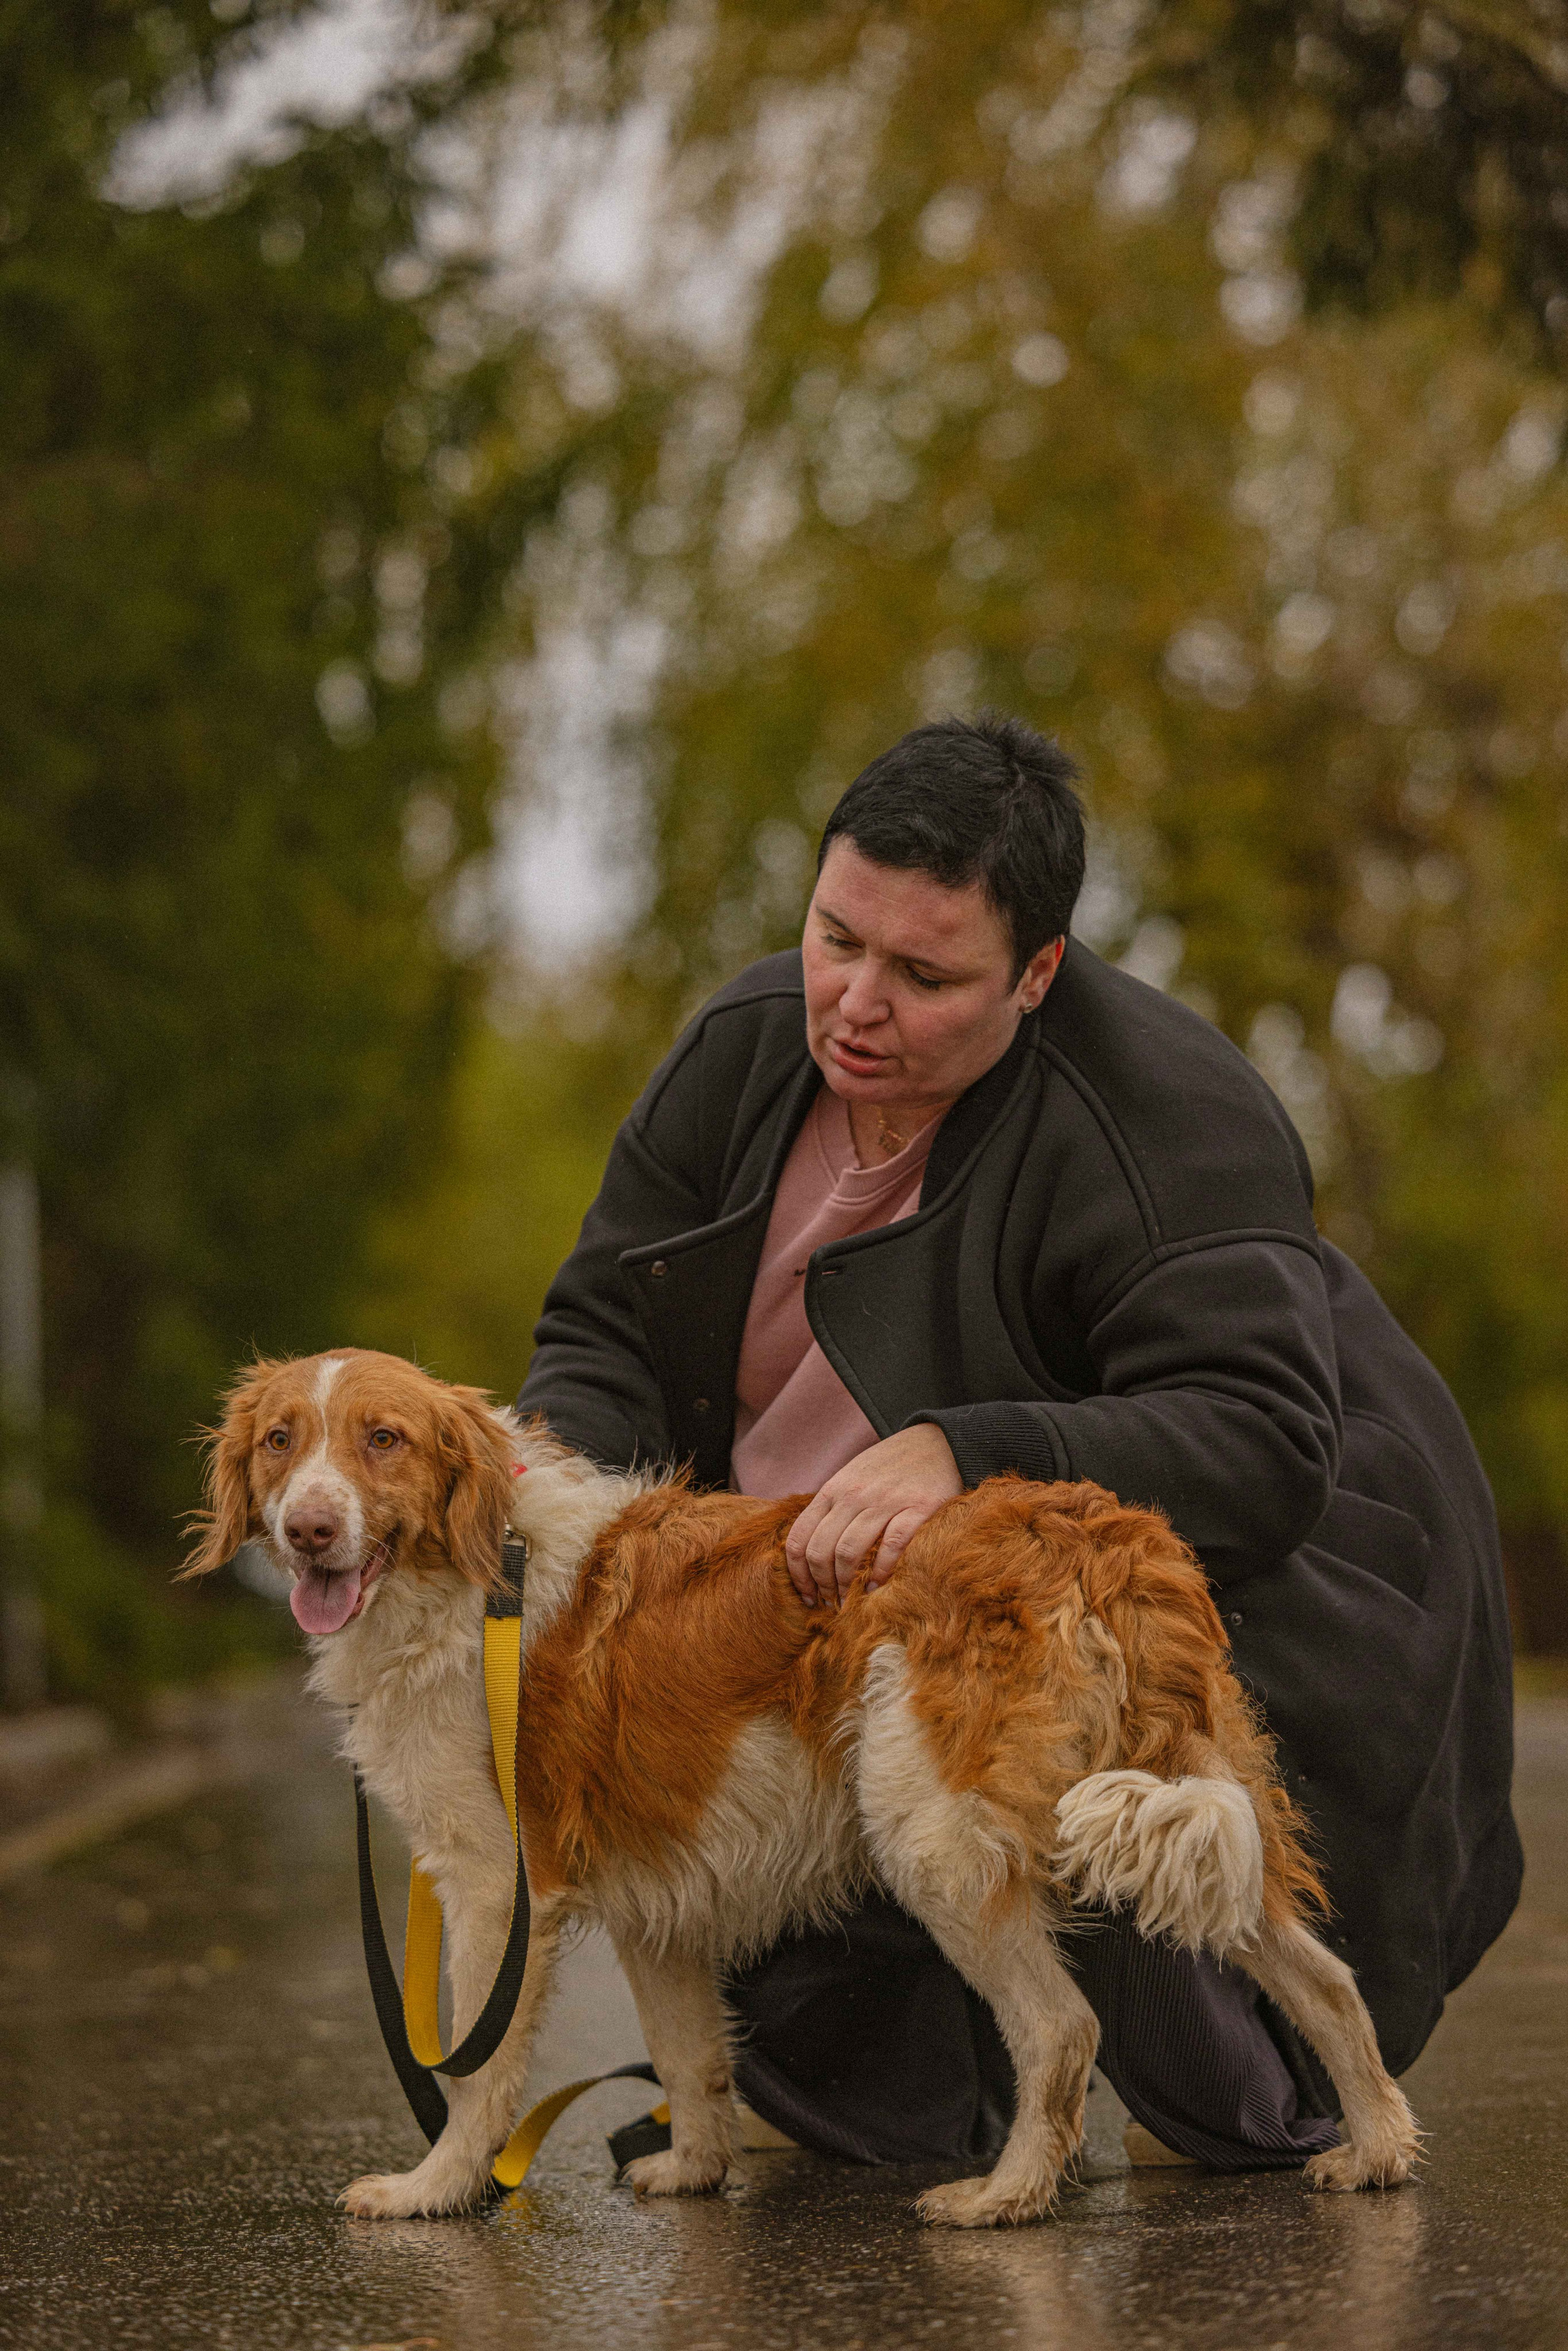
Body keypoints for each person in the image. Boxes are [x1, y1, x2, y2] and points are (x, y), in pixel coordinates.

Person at [518, 712, 1520, 2172]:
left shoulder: (1172, 1112)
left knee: (1223, 2102)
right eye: (834, 934)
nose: (856, 1002)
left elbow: (1256, 1438)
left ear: (1035, 973)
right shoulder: (738, 1051)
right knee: (850, 2105)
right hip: (849, 1625)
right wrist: (583, 1568)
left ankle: (1203, 2053)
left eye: (925, 976)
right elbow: (596, 1331)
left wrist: (963, 1449)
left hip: (1266, 1575)